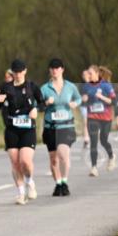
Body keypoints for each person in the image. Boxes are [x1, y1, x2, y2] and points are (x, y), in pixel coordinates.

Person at [0, 59, 43, 205]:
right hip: (12, 129)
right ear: (12, 72)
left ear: (25, 71)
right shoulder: (5, 87)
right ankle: (21, 193)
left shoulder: (32, 86)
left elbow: (42, 103)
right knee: (15, 163)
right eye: (15, 72)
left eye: (20, 71)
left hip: (28, 129)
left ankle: (30, 182)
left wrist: (36, 109)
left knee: (25, 161)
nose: (18, 74)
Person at [40, 58, 82, 196]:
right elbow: (37, 106)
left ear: (62, 69)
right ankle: (58, 184)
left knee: (63, 155)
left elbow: (79, 98)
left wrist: (75, 104)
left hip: (66, 125)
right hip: (50, 127)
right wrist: (46, 102)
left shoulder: (70, 86)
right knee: (53, 158)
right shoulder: (45, 88)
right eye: (52, 68)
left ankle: (64, 181)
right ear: (49, 70)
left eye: (57, 68)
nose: (54, 70)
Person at [81, 65, 117, 176]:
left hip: (106, 117)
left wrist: (101, 97)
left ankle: (111, 156)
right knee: (93, 142)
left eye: (90, 73)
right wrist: (84, 99)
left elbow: (113, 101)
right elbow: (84, 101)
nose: (88, 76)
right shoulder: (86, 86)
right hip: (92, 117)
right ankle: (94, 168)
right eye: (88, 74)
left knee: (103, 140)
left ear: (97, 74)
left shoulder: (106, 85)